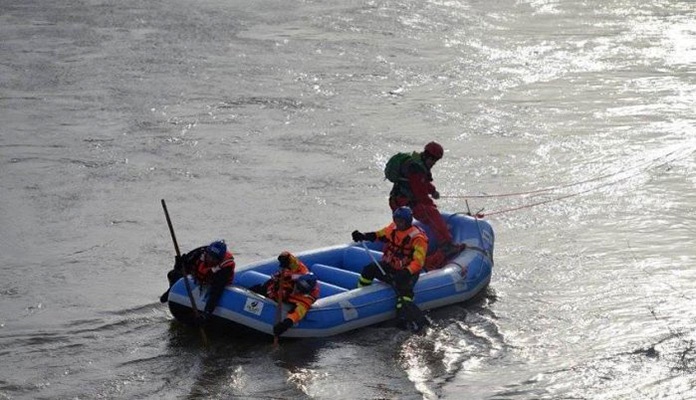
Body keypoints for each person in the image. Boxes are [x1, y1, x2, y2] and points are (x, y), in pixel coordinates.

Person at [386, 141, 465, 269]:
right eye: (433, 160)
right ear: (428, 156)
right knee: (432, 213)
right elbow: (421, 195)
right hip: (405, 203)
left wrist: (433, 191)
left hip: (398, 201)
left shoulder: (417, 163)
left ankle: (404, 254)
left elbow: (422, 184)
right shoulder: (417, 169)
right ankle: (446, 245)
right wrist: (432, 205)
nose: (434, 163)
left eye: (436, 160)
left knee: (406, 228)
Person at [351, 206, 430, 332]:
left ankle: (403, 319)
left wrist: (403, 274)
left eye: (401, 221)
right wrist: (363, 236)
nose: (398, 224)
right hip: (391, 265)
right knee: (369, 269)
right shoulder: (393, 228)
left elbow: (418, 263)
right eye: (396, 220)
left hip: (407, 272)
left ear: (408, 221)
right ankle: (361, 294)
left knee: (404, 295)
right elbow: (379, 235)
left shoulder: (418, 238)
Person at [160, 240, 236, 322]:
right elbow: (183, 267)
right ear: (206, 253)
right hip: (198, 277)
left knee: (214, 293)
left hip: (214, 282)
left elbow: (216, 292)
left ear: (220, 260)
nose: (210, 260)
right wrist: (178, 264)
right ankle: (170, 291)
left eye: (214, 259)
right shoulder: (198, 253)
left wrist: (206, 314)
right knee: (173, 274)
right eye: (209, 256)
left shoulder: (224, 269)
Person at [253, 251, 320, 337]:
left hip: (284, 297)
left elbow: (298, 313)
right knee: (258, 289)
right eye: (298, 287)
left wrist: (285, 324)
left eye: (300, 290)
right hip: (275, 285)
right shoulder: (301, 271)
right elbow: (292, 260)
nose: (297, 290)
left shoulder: (307, 298)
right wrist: (285, 258)